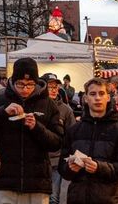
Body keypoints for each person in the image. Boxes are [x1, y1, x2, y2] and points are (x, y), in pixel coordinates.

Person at [0, 57, 65, 204]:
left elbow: (57, 142)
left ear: (36, 82)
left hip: (37, 183)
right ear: (12, 81)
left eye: (30, 85)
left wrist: (37, 127)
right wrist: (2, 113)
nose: (25, 89)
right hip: (4, 181)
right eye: (20, 84)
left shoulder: (48, 104)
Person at [60, 78, 118, 204]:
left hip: (108, 199)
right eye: (93, 94)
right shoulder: (74, 130)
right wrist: (70, 168)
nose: (97, 98)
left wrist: (99, 168)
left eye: (101, 93)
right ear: (85, 98)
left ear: (108, 97)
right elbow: (62, 167)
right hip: (77, 198)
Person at [44, 73, 77, 204]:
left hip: (56, 160)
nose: (53, 90)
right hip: (36, 160)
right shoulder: (36, 106)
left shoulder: (65, 110)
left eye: (55, 87)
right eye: (50, 87)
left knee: (53, 197)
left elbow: (72, 134)